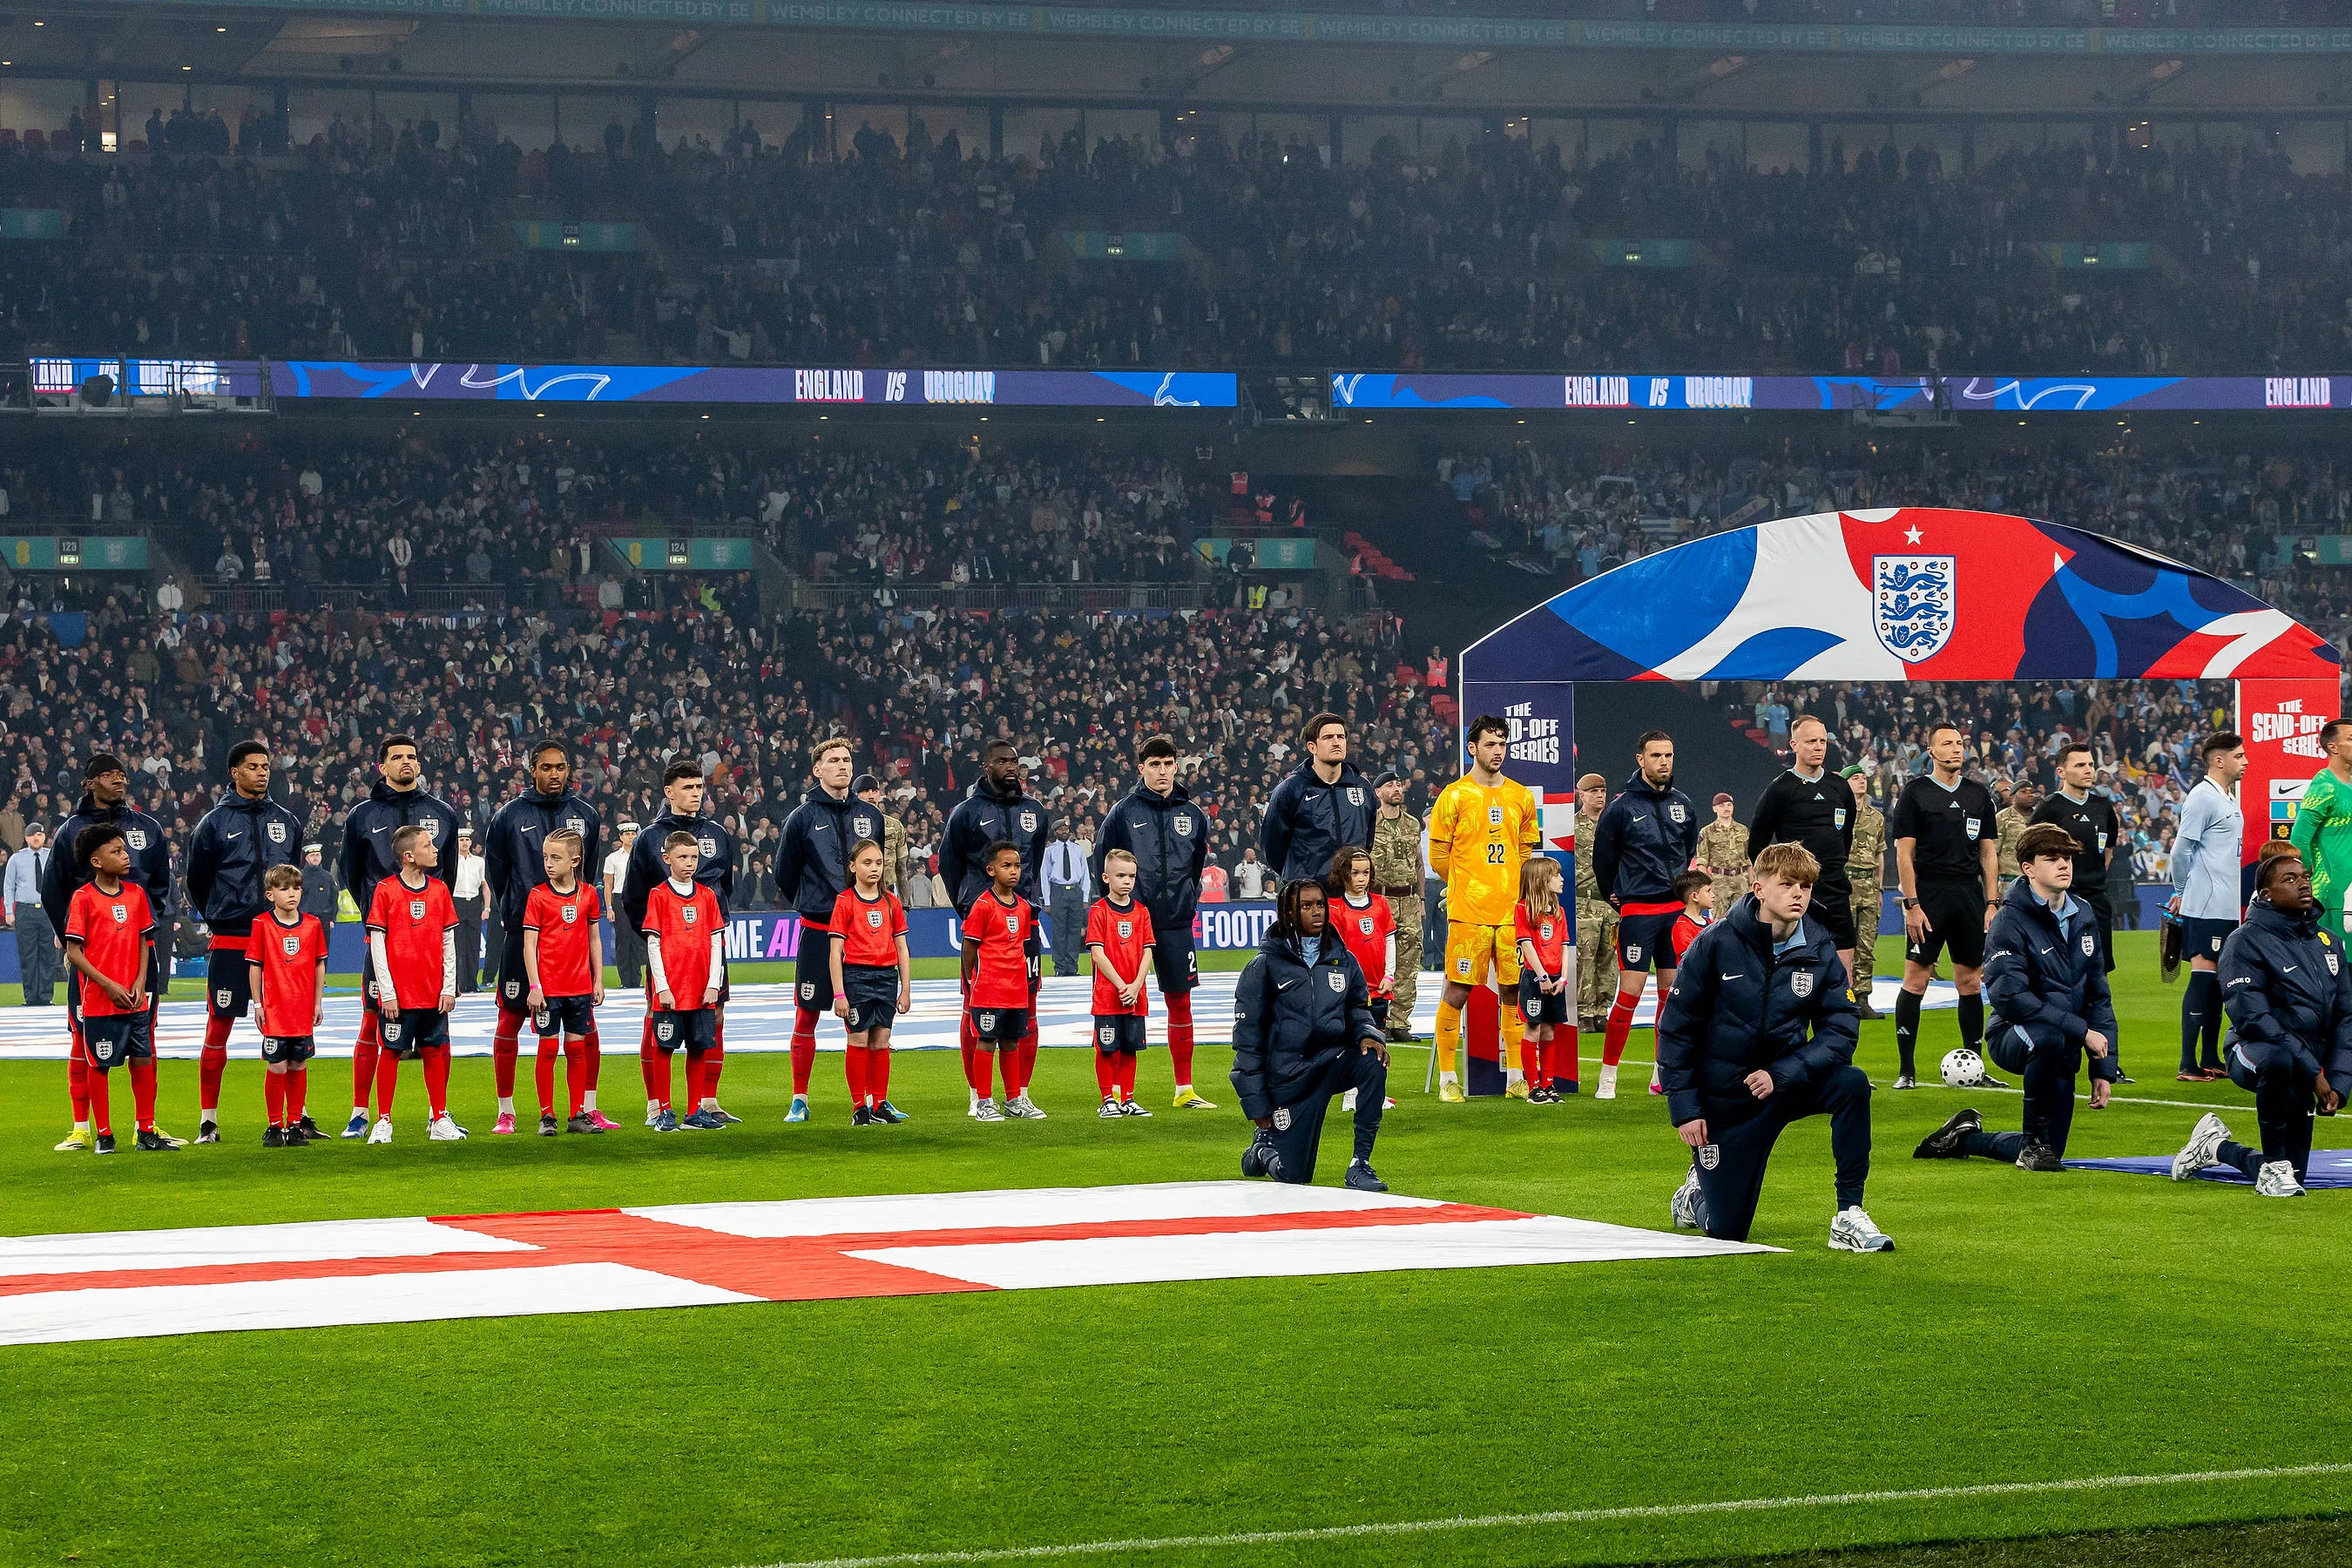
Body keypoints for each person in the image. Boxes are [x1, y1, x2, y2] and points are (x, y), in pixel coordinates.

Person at [1657, 842, 1889, 1253]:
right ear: (1759, 888)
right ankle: (1697, 1196)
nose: (1798, 894)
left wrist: (1782, 1073)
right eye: (1787, 884)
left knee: (1851, 1084)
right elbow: (1677, 1029)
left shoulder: (1819, 948)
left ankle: (1849, 1214)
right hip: (1728, 1099)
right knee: (1727, 1231)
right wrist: (1686, 1110)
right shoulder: (1715, 943)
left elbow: (1840, 1029)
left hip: (1784, 1083)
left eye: (1805, 886)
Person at [1916, 823, 2119, 1175]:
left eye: (2068, 857)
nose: (2064, 865)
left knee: (2052, 1151)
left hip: (2065, 1038)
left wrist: (2103, 1067)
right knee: (2050, 1037)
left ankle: (1963, 1139)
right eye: (2052, 858)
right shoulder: (2009, 919)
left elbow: (2098, 993)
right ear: (2028, 868)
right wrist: (2081, 1031)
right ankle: (2032, 1145)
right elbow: (2009, 997)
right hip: (2013, 1033)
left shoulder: (2084, 914)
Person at [2171, 849, 2352, 1198]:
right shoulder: (2244, 941)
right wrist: (2315, 1073)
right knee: (2276, 1058)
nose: (2303, 885)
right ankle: (2273, 1164)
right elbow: (2253, 1018)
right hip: (2251, 1052)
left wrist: (2340, 1083)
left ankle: (2218, 1149)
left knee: (2293, 1177)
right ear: (2266, 894)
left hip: (2306, 1063)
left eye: (2304, 878)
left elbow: (2346, 1016)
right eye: (2290, 879)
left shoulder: (2330, 943)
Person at [43, 754, 174, 1152]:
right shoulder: (70, 831)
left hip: (138, 948)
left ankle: (144, 1126)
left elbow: (161, 883)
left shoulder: (145, 827)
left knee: (144, 1035)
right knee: (81, 1035)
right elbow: (53, 888)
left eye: (121, 774)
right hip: (91, 955)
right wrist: (68, 937)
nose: (119, 780)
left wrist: (148, 927)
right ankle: (84, 1126)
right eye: (108, 775)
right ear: (89, 783)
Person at [1230, 876, 1391, 1193]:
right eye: (1306, 906)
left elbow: (1358, 1008)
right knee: (1295, 1176)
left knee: (1373, 1060)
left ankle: (1360, 1165)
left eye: (1320, 904)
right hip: (1291, 1080)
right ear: (1288, 913)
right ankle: (1264, 1148)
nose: (1317, 912)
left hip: (1332, 1062)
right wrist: (1257, 1105)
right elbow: (1247, 1041)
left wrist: (1368, 1034)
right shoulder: (1264, 966)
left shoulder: (1342, 959)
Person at [336, 734, 456, 1140]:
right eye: (397, 757)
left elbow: (447, 876)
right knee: (374, 1020)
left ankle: (437, 1113)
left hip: (428, 944)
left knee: (438, 1027)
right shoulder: (361, 815)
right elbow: (353, 875)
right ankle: (361, 1112)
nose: (406, 762)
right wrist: (383, 914)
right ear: (381, 767)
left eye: (412, 756)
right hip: (386, 939)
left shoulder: (441, 814)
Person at [185, 740, 306, 1142]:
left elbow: (294, 875)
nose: (261, 772)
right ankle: (208, 1120)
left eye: (266, 766)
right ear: (234, 773)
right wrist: (223, 915)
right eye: (252, 766)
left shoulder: (286, 820)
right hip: (233, 939)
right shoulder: (214, 823)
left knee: (291, 1031)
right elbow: (197, 882)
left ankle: (292, 1119)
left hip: (281, 940)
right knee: (219, 1027)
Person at [483, 738, 604, 1125]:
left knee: (583, 1024)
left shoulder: (585, 814)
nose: (555, 774)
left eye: (562, 767)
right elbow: (497, 872)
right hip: (525, 933)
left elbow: (590, 869)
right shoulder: (508, 816)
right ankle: (506, 1111)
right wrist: (513, 911)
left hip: (570, 936)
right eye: (547, 767)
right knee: (511, 1018)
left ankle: (586, 1107)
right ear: (532, 769)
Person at [1092, 735, 1217, 1107]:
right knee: (1119, 1001)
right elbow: (1104, 861)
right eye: (1154, 764)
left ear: (1176, 766)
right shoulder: (1124, 812)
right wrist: (1114, 914)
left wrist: (1184, 902)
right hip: (1130, 925)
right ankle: (1115, 1094)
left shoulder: (1193, 815)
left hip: (1176, 923)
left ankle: (1185, 1090)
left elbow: (1195, 867)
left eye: (1168, 764)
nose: (1162, 771)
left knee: (1181, 1002)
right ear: (1141, 768)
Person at [1428, 714, 1541, 1102]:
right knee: (1457, 991)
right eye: (1490, 744)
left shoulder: (1521, 796)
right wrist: (1462, 885)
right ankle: (1447, 1080)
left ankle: (1515, 1078)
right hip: (1469, 912)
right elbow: (1439, 854)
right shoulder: (1454, 796)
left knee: (1513, 993)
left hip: (1512, 913)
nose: (1498, 751)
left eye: (1503, 744)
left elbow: (1526, 851)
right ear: (1472, 748)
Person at [621, 761, 739, 1124]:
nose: (697, 793)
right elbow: (633, 896)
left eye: (700, 787)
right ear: (669, 792)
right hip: (668, 951)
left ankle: (707, 1102)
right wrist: (661, 937)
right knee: (657, 1017)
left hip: (709, 946)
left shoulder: (717, 833)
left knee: (714, 1014)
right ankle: (656, 1104)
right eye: (688, 787)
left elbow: (724, 887)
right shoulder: (649, 838)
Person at [942, 740, 1051, 1118]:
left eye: (1014, 761)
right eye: (1002, 761)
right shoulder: (967, 812)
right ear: (985, 765)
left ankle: (1018, 1093)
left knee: (1027, 1009)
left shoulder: (1035, 811)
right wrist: (969, 907)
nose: (1010, 766)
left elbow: (1033, 860)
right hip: (985, 926)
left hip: (1026, 923)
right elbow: (948, 863)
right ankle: (978, 1095)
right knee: (975, 1009)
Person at [1889, 723, 2002, 1091]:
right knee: (1917, 979)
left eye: (1960, 743)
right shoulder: (1916, 792)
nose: (1956, 749)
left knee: (1970, 982)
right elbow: (1904, 855)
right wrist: (1912, 904)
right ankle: (1907, 1070)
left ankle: (1976, 1066)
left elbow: (1988, 852)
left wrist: (1991, 903)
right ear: (1931, 750)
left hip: (1969, 897)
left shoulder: (1978, 794)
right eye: (1947, 744)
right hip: (1930, 894)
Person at [1592, 731, 1700, 1099]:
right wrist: (1620, 900)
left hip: (1675, 913)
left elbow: (1688, 854)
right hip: (1638, 912)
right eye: (1656, 755)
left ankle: (1661, 1073)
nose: (1664, 762)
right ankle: (1608, 1076)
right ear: (1640, 759)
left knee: (1672, 995)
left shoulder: (1683, 804)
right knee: (1630, 994)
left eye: (1669, 755)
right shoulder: (1621, 807)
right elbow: (1602, 862)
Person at [777, 737, 875, 1121]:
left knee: (868, 1017)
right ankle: (799, 1097)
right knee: (808, 1014)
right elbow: (785, 874)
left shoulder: (870, 816)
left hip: (864, 932)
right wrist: (816, 903)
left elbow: (875, 867)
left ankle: (872, 1099)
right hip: (819, 930)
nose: (842, 766)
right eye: (833, 760)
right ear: (817, 770)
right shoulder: (800, 818)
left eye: (847, 760)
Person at [62, 825, 159, 1155]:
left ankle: (146, 1130)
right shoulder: (83, 898)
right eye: (116, 851)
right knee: (99, 1064)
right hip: (101, 1001)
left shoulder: (135, 894)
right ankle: (104, 1134)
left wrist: (139, 981)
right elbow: (74, 951)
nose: (125, 855)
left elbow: (146, 942)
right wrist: (108, 984)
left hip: (134, 998)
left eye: (124, 849)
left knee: (143, 1060)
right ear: (97, 861)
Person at [362, 824, 462, 1144]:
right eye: (427, 845)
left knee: (433, 1050)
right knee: (391, 1052)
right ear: (409, 856)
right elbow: (378, 945)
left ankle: (440, 1117)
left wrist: (449, 986)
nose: (435, 850)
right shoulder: (386, 890)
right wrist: (387, 992)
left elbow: (449, 942)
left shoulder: (440, 890)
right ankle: (383, 1121)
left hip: (432, 990)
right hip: (398, 994)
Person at [1747, 714, 1858, 995]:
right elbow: (1757, 844)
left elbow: (1845, 835)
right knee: (1798, 968)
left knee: (1844, 968)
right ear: (1794, 745)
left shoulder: (1839, 787)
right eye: (1811, 741)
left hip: (1835, 887)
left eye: (1823, 741)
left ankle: (1838, 1022)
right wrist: (1778, 884)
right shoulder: (1780, 789)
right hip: (1797, 891)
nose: (1819, 747)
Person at [2169, 732, 2247, 1082]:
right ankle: (2188, 1063)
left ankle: (2211, 1057)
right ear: (2219, 760)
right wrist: (2183, 891)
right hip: (2206, 905)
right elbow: (2180, 850)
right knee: (2202, 979)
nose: (2245, 762)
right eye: (2239, 756)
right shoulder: (2202, 797)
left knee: (2217, 983)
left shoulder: (2227, 797)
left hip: (2226, 906)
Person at [523, 828, 607, 1136]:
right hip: (548, 991)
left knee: (576, 1050)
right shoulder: (538, 896)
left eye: (555, 857)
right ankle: (547, 1116)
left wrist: (598, 980)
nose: (548, 863)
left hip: (579, 988)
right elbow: (529, 945)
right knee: (546, 1050)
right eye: (546, 857)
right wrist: (534, 986)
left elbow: (594, 939)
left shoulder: (589, 894)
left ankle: (577, 1114)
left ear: (575, 860)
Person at [641, 830, 727, 1132]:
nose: (689, 863)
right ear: (667, 859)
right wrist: (661, 986)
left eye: (693, 857)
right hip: (672, 991)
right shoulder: (659, 895)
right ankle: (664, 1111)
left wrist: (713, 984)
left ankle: (694, 1112)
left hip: (701, 989)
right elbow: (653, 943)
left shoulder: (707, 895)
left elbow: (717, 941)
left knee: (699, 1048)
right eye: (682, 857)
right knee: (663, 1049)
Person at [828, 835, 911, 1126]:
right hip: (857, 977)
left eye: (878, 862)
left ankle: (879, 1103)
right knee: (858, 1038)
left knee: (881, 1041)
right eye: (867, 862)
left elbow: (902, 947)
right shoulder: (844, 902)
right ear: (853, 867)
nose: (874, 868)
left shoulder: (891, 902)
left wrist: (906, 990)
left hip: (886, 978)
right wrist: (839, 994)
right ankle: (858, 1106)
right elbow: (835, 951)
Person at [248, 862, 328, 1148]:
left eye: (296, 888)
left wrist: (317, 1002)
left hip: (302, 1010)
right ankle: (274, 1125)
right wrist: (258, 1003)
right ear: (271, 895)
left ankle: (294, 1124)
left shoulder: (312, 925)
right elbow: (255, 967)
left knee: (298, 1064)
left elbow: (320, 965)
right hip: (274, 1009)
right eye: (284, 889)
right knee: (277, 1066)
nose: (292, 894)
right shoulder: (262, 924)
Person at [961, 841, 1042, 1124]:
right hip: (989, 990)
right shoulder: (982, 906)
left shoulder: (1022, 907)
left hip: (1015, 990)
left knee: (1010, 1043)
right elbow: (969, 947)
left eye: (1017, 866)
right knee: (986, 1041)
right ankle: (984, 1101)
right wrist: (972, 980)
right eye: (1006, 866)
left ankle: (1013, 1100)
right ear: (991, 869)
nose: (1013, 871)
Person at [2031, 741, 2125, 978]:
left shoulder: (2102, 808)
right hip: (2060, 899)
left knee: (2098, 971)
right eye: (2080, 765)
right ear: (2061, 771)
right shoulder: (2050, 808)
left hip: (2096, 898)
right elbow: (2030, 850)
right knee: (2060, 971)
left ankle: (2096, 1016)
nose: (2088, 770)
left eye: (2091, 765)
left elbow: (2108, 849)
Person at [1258, 713, 1375, 887]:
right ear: (1312, 747)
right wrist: (1300, 876)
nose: (1336, 742)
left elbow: (1368, 840)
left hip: (1351, 893)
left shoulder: (1362, 787)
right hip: (1308, 893)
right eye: (1328, 737)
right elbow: (1272, 846)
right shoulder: (1290, 789)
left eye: (1340, 737)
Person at [1085, 848, 1155, 1119]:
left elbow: (1148, 950)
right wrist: (1121, 985)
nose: (1127, 881)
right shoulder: (1099, 911)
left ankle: (1127, 1098)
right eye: (1121, 876)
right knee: (1107, 1048)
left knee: (1129, 1047)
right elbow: (1097, 953)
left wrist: (1136, 985)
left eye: (1131, 877)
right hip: (1107, 995)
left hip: (1135, 994)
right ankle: (1107, 1099)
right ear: (1106, 878)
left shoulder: (1142, 912)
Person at [1370, 770, 1424, 1044]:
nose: (1397, 789)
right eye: (1390, 785)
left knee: (1409, 962)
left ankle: (1400, 1022)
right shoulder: (1369, 823)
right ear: (1378, 792)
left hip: (1410, 900)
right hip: (1380, 899)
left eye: (1399, 784)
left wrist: (1422, 900)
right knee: (1378, 961)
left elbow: (1418, 864)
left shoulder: (1413, 824)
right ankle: (1377, 1020)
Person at [2288, 718, 2352, 945]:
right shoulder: (2324, 785)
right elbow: (2299, 839)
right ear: (2333, 747)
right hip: (2335, 896)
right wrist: (2305, 883)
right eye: (2351, 739)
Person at [1512, 856, 1571, 1103]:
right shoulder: (1523, 909)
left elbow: (1565, 945)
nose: (1561, 879)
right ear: (1540, 880)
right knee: (1533, 1029)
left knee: (1549, 1032)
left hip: (1556, 979)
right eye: (1556, 875)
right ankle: (1533, 1086)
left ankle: (1549, 1084)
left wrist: (1564, 978)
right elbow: (1527, 945)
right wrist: (1542, 976)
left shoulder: (1559, 912)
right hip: (1535, 979)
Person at [1573, 772, 1617, 1037]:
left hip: (1610, 903)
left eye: (1603, 791)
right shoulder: (1572, 826)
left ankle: (1602, 1010)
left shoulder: (1614, 824)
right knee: (1584, 958)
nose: (1600, 796)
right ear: (1582, 795)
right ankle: (1584, 1012)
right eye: (1594, 792)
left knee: (1608, 959)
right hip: (1583, 902)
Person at [1843, 767, 1887, 1017]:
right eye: (1855, 778)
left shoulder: (1876, 817)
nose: (1861, 781)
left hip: (1869, 886)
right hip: (1846, 883)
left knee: (1866, 945)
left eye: (1863, 778)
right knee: (1843, 944)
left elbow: (1880, 853)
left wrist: (1880, 888)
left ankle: (1862, 998)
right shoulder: (1838, 814)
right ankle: (1843, 995)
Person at [5, 823, 57, 1008]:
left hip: (47, 910)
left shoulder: (51, 856)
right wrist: (9, 911)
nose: (37, 839)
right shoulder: (16, 859)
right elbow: (9, 886)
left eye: (40, 835)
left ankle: (45, 996)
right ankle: (30, 996)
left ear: (44, 838)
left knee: (48, 954)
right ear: (26, 838)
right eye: (33, 835)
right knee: (28, 955)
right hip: (25, 910)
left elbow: (58, 884)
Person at [1042, 821, 1091, 978]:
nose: (1064, 830)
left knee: (1074, 931)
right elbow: (1045, 877)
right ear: (1055, 832)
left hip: (1075, 891)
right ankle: (1060, 967)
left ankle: (1072, 967)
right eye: (1061, 828)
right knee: (1059, 932)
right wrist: (1047, 902)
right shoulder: (1050, 851)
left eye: (1066, 828)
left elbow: (1085, 875)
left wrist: (1084, 897)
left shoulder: (1077, 850)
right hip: (1058, 891)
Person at [855, 774, 911, 903]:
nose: (871, 795)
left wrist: (905, 905)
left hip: (887, 892)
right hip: (856, 894)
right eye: (865, 791)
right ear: (855, 795)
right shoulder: (845, 824)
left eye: (875, 791)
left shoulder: (895, 826)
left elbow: (902, 868)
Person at [1696, 792, 1751, 926]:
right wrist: (1706, 886)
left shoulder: (1743, 830)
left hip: (1741, 880)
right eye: (1722, 805)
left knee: (1744, 919)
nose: (1726, 808)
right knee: (1719, 923)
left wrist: (1752, 883)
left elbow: (1748, 859)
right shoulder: (1707, 832)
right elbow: (1702, 861)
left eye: (1729, 805)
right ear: (1714, 808)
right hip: (1719, 882)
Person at [603, 821, 642, 989]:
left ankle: (636, 979)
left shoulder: (641, 855)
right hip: (620, 899)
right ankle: (626, 980)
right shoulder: (613, 858)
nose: (631, 837)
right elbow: (608, 885)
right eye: (627, 834)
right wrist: (609, 907)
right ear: (620, 836)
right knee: (623, 940)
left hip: (638, 899)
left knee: (637, 941)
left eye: (633, 834)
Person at [451, 828, 487, 992]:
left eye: (467, 840)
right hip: (456, 902)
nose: (464, 843)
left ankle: (472, 983)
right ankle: (458, 983)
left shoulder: (479, 862)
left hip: (473, 903)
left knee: (473, 946)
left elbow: (484, 885)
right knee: (457, 945)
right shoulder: (452, 861)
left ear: (471, 842)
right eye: (461, 840)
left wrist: (486, 907)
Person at [1994, 783, 2037, 894]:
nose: (2029, 795)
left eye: (2031, 792)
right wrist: (1993, 889)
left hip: (2036, 879)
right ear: (2013, 795)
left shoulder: (2040, 816)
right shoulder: (2001, 818)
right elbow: (1993, 853)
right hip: (2008, 880)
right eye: (2023, 792)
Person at [1669, 868, 1714, 968]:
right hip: (1691, 981)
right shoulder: (1681, 926)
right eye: (1708, 891)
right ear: (1694, 896)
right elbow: (1693, 958)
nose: (1713, 895)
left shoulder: (1710, 922)